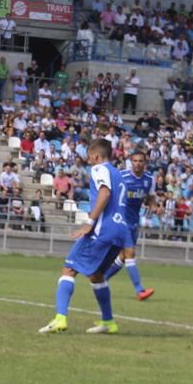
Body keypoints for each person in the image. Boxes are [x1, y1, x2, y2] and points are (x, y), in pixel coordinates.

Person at [39, 138, 131, 335]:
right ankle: (108, 322)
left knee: (69, 269)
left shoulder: (99, 169)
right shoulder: (119, 174)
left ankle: (60, 319)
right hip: (120, 231)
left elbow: (105, 194)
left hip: (103, 229)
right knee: (97, 276)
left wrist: (90, 222)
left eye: (90, 157)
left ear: (96, 155)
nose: (89, 161)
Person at [102, 150, 156, 301]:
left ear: (144, 163)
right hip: (121, 221)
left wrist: (155, 208)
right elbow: (108, 193)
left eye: (140, 161)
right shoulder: (122, 176)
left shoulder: (149, 180)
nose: (138, 163)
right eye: (135, 160)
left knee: (124, 256)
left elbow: (151, 199)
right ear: (131, 162)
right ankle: (140, 290)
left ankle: (102, 279)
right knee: (130, 253)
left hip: (134, 222)